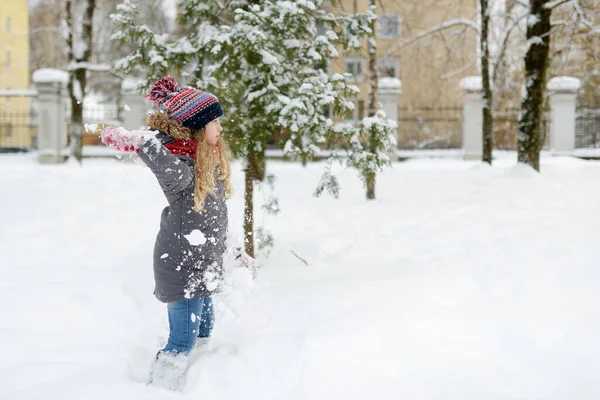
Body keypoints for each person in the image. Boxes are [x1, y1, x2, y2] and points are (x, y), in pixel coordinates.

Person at [100, 76, 258, 388]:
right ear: (198, 127)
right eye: (215, 122)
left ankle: (196, 378)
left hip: (204, 268)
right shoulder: (181, 172)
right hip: (183, 268)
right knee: (182, 340)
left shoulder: (205, 166)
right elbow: (159, 158)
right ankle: (160, 387)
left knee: (204, 330)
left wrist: (235, 253)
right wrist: (141, 141)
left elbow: (216, 222)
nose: (221, 129)